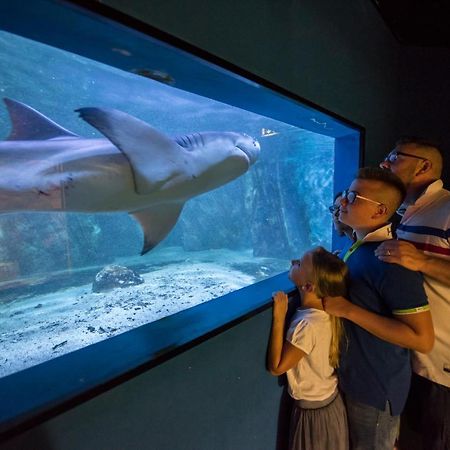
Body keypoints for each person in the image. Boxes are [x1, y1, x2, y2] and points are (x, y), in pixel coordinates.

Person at [322, 167, 434, 450]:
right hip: (359, 378)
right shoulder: (359, 247)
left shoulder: (389, 259)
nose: (342, 202)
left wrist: (347, 310)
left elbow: (422, 338)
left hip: (375, 386)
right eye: (347, 194)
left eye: (353, 197)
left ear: (380, 210)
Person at [376, 137, 450, 450]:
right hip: (413, 360)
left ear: (423, 166)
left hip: (442, 368)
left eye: (394, 157)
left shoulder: (446, 208)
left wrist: (422, 260)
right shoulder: (410, 213)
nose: (384, 163)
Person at [268, 246, 349, 450]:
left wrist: (279, 316)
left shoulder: (307, 325)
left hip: (314, 416)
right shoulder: (326, 313)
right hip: (330, 405)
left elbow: (276, 367)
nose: (294, 261)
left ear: (309, 287)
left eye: (300, 264)